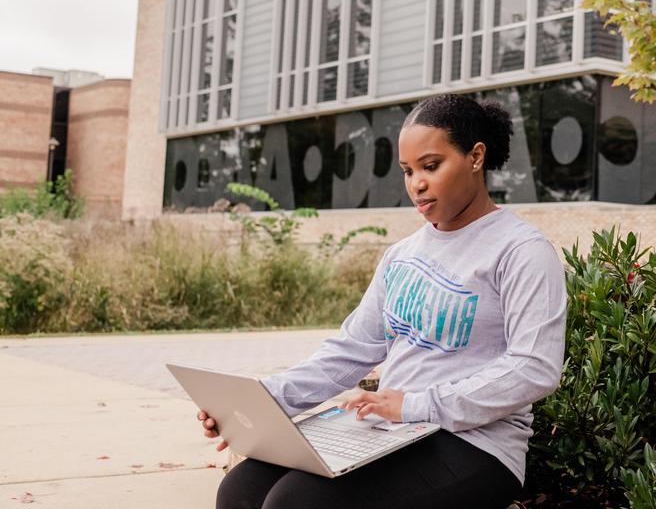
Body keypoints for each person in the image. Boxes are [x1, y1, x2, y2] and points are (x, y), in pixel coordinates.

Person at [199, 93, 568, 508]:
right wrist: (264, 400)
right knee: (240, 491)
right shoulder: (402, 255)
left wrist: (416, 405)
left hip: (476, 444)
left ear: (475, 157)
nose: (417, 184)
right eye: (408, 171)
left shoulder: (521, 250)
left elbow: (535, 367)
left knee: (297, 502)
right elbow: (351, 350)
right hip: (392, 428)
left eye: (431, 166)